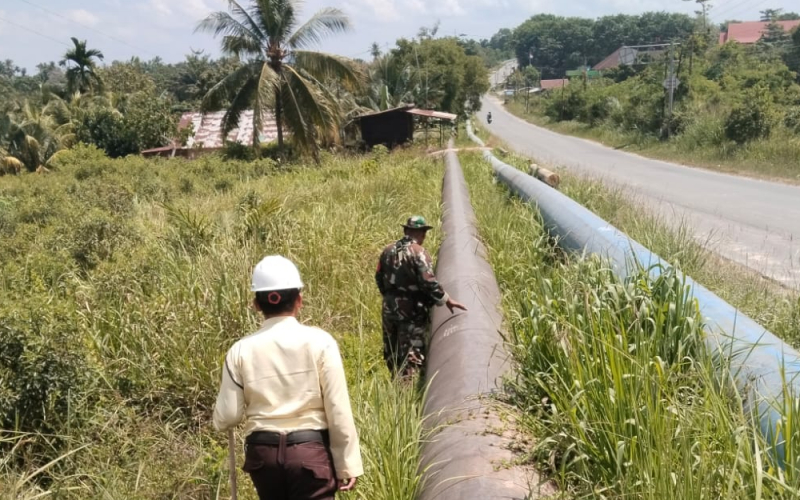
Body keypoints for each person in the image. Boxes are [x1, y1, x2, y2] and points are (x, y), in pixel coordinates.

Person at [213, 255, 363, 500]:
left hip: (264, 458)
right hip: (310, 455)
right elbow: (338, 408)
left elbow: (228, 415)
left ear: (257, 304)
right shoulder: (321, 343)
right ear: (299, 300)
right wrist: (348, 463)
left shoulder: (239, 350)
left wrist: (218, 420)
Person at [375, 216, 467, 379]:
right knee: (411, 353)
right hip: (411, 311)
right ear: (422, 233)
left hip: (389, 308)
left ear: (405, 231)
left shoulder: (387, 250)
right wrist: (446, 299)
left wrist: (389, 297)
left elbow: (378, 276)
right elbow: (428, 282)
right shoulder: (419, 253)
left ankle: (394, 384)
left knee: (392, 349)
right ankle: (406, 393)